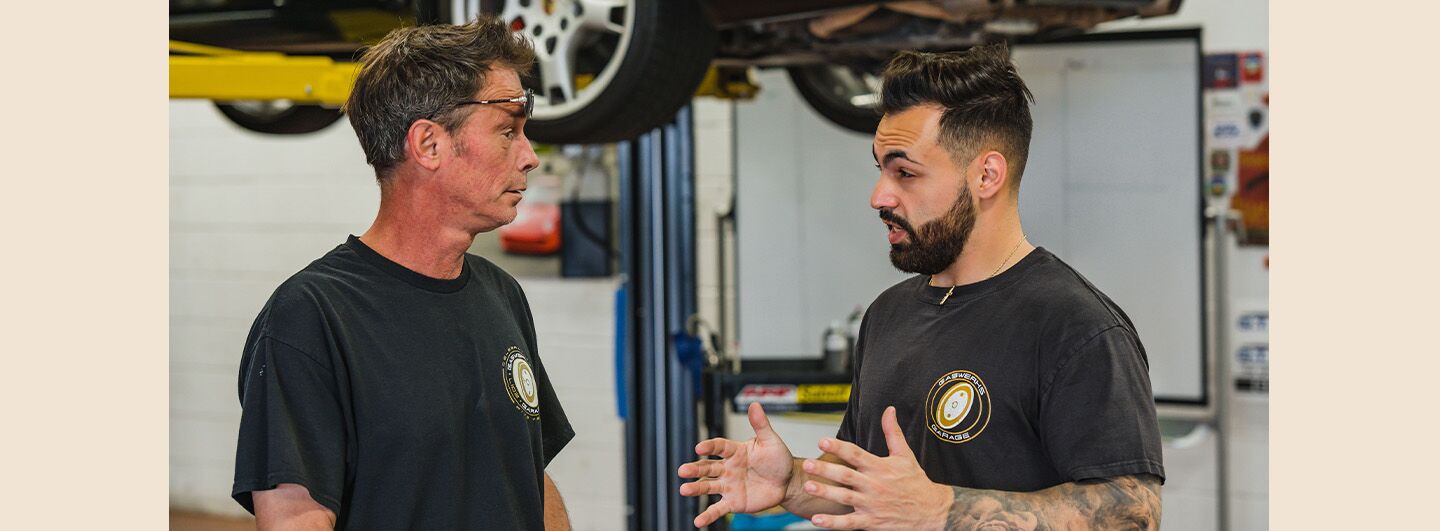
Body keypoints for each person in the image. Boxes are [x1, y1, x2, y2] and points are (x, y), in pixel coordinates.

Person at [677, 44, 1165, 530]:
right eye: (881, 169)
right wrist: (793, 484)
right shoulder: (889, 315)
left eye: (905, 172)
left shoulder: (1077, 327)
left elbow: (1132, 513)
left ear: (986, 175)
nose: (879, 196)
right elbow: (876, 497)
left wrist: (941, 512)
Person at [231, 18, 574, 530]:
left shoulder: (501, 294)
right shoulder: (312, 316)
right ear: (429, 145)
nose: (528, 158)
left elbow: (529, 476)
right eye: (507, 131)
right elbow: (295, 518)